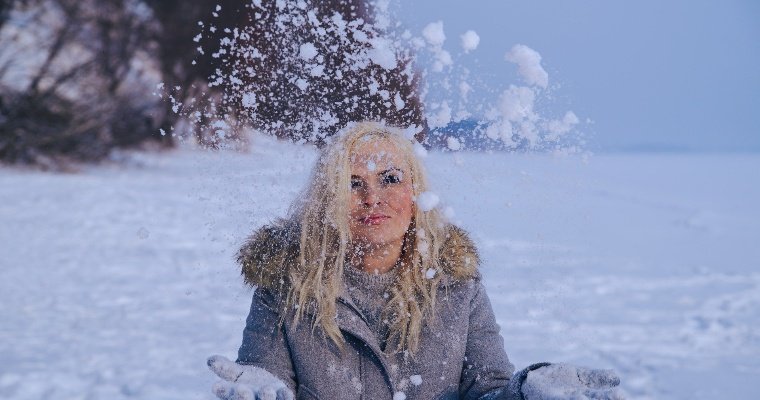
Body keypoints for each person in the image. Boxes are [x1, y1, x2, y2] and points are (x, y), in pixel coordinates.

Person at [207, 121, 624, 400]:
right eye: (353, 184)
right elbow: (265, 383)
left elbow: (488, 390)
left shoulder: (457, 285)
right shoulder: (287, 286)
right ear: (328, 201)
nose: (373, 198)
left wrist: (525, 391)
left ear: (416, 194)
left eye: (390, 179)